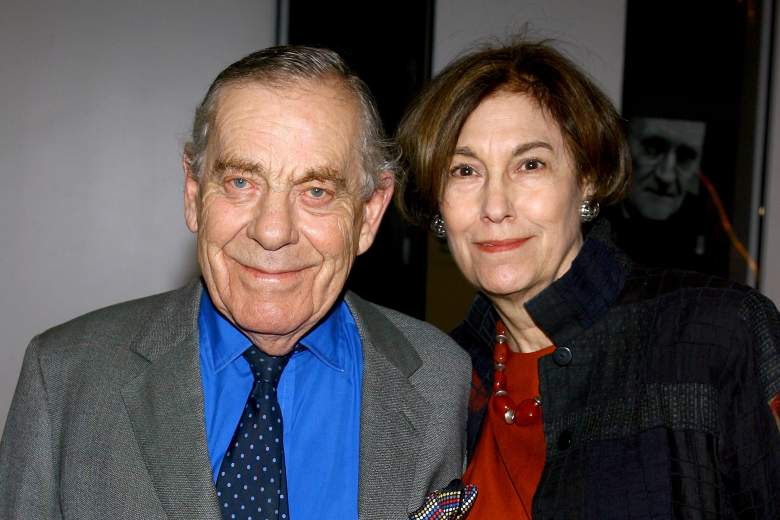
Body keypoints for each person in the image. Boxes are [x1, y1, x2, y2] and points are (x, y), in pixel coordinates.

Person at [0, 46, 471, 520]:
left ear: (369, 213)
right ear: (193, 192)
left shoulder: (440, 379)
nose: (271, 231)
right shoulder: (64, 375)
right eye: (242, 182)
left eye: (316, 191)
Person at [398, 40, 780, 518]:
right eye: (464, 170)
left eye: (530, 165)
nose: (495, 206)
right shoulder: (441, 379)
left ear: (589, 179)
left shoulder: (714, 336)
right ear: (438, 206)